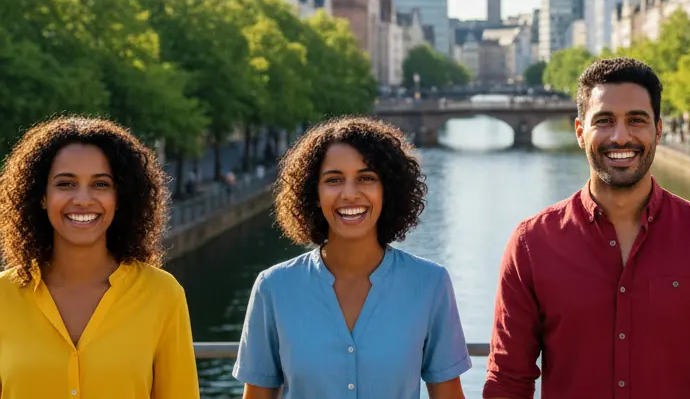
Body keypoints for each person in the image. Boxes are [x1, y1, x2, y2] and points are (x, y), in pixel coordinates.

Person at [483, 57, 690, 399]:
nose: (621, 137)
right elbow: (508, 381)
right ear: (579, 132)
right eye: (604, 121)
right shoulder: (531, 244)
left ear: (658, 131)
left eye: (636, 120)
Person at [233, 117, 471, 399]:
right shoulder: (273, 288)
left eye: (366, 178)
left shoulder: (431, 284)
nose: (349, 194)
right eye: (333, 180)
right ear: (314, 193)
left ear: (388, 190)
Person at [0, 116, 199, 398]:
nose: (82, 199)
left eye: (101, 184)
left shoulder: (163, 294)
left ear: (120, 198)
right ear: (41, 196)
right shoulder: (2, 297)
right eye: (65, 184)